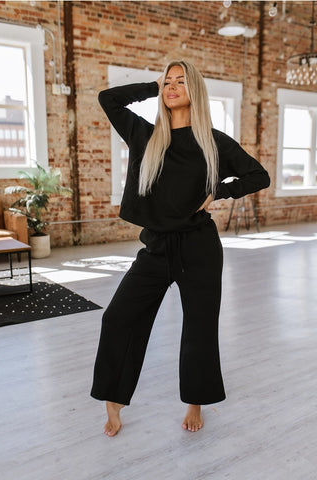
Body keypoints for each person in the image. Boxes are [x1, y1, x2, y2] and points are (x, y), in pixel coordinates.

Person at [91, 60, 270, 436]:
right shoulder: (145, 135)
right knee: (119, 318)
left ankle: (195, 402)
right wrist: (152, 86)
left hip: (199, 250)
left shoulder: (213, 142)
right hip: (155, 249)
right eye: (167, 81)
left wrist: (219, 191)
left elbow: (259, 175)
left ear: (195, 91)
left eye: (180, 81)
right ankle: (114, 401)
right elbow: (108, 99)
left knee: (199, 330)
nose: (172, 86)